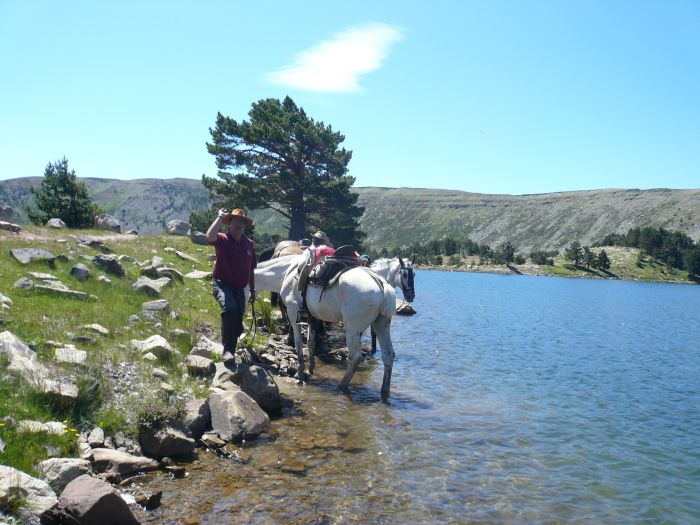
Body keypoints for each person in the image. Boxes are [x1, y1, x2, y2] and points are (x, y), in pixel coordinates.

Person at [206, 208, 257, 363]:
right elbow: (209, 236)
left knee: (238, 321)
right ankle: (227, 351)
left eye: (241, 222)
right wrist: (220, 217)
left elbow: (251, 268)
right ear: (229, 224)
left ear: (244, 225)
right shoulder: (222, 239)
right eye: (235, 221)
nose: (238, 224)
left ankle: (232, 346)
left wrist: (253, 289)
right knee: (229, 309)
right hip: (222, 284)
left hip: (240, 289)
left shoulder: (248, 244)